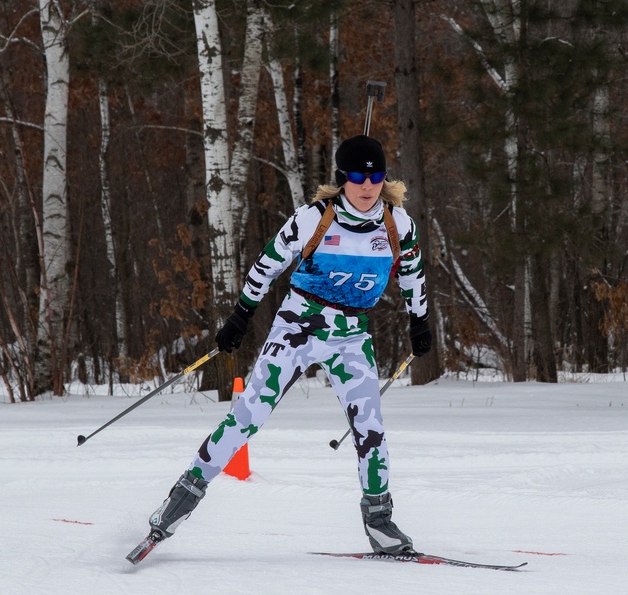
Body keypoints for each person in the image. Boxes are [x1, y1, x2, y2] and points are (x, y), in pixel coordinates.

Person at [143, 135, 431, 557]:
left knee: (371, 430)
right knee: (247, 417)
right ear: (342, 178)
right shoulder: (313, 218)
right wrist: (241, 314)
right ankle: (175, 506)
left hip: (351, 335)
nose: (367, 185)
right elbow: (267, 263)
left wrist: (419, 319)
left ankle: (380, 522)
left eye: (375, 175)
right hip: (299, 327)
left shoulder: (397, 224)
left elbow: (413, 275)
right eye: (356, 175)